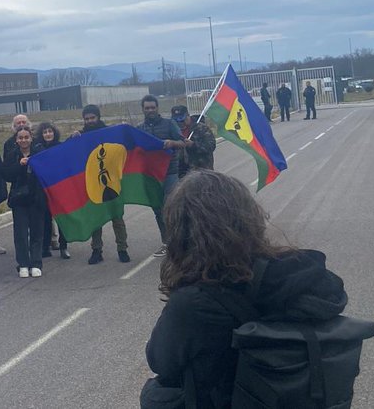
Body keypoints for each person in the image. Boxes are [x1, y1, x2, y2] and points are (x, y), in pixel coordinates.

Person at [140, 170, 349, 408]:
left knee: (157, 394)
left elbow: (160, 361)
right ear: (249, 219)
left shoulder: (194, 303)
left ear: (182, 234)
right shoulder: (300, 273)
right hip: (297, 399)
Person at [137, 96, 188, 257]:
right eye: (147, 108)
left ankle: (180, 241)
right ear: (143, 109)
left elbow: (183, 142)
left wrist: (172, 143)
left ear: (157, 108)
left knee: (172, 207)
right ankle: (166, 242)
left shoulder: (169, 124)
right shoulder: (139, 128)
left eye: (153, 107)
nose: (150, 110)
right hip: (151, 175)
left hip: (170, 172)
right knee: (158, 209)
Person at [81, 105, 131, 265]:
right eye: (87, 119)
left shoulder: (110, 133)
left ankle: (122, 249)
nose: (90, 121)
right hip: (94, 184)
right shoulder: (81, 137)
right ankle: (96, 250)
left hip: (112, 182)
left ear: (98, 117)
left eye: (92, 118)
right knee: (96, 219)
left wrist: (124, 130)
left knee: (117, 218)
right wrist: (72, 138)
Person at [0, 126, 47, 278]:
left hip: (37, 198)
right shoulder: (12, 155)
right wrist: (20, 165)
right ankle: (23, 264)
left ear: (31, 138)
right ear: (16, 140)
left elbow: (47, 170)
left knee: (37, 232)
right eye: (20, 138)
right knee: (20, 234)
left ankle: (36, 263)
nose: (23, 140)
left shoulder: (39, 153)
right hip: (19, 199)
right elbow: (6, 175)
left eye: (26, 137)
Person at [0, 114, 31, 257]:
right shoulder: (8, 144)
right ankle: (23, 254)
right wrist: (19, 166)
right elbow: (6, 168)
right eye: (18, 123)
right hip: (18, 189)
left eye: (23, 122)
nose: (21, 124)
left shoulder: (37, 142)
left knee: (39, 222)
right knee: (21, 225)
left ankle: (48, 243)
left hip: (36, 188)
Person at [36, 121, 69, 259]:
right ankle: (45, 247)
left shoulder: (61, 147)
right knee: (45, 218)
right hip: (43, 188)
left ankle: (63, 246)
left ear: (54, 133)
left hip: (58, 187)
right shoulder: (37, 148)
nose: (48, 134)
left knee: (61, 218)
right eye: (45, 132)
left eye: (50, 131)